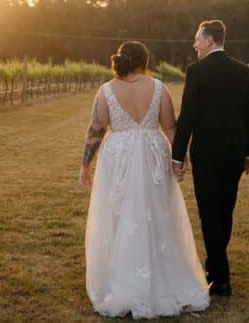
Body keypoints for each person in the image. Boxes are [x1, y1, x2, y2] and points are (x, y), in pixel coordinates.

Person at [80, 41, 210, 318]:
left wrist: (85, 164)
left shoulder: (106, 91)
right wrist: (179, 158)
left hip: (118, 157)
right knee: (157, 213)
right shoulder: (159, 88)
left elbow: (96, 130)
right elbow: (170, 126)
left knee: (118, 214)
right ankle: (161, 277)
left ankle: (122, 279)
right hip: (153, 152)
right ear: (145, 60)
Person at [171, 20, 249, 298]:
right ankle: (214, 266)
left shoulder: (196, 72)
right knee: (224, 211)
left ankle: (221, 280)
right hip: (235, 154)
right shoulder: (242, 71)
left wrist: (177, 155)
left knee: (210, 215)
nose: (194, 44)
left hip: (207, 155)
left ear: (209, 40)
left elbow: (187, 116)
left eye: (197, 39)